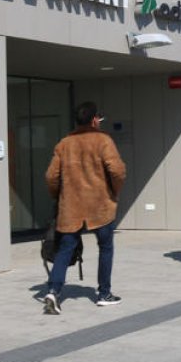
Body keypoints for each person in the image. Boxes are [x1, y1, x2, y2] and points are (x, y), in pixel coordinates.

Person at [42, 101, 127, 314]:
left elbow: (51, 176)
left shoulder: (64, 144)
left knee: (65, 249)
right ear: (94, 120)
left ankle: (53, 290)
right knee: (105, 247)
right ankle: (104, 293)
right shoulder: (103, 140)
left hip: (71, 206)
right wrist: (113, 192)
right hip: (100, 205)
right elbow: (117, 171)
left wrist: (59, 196)